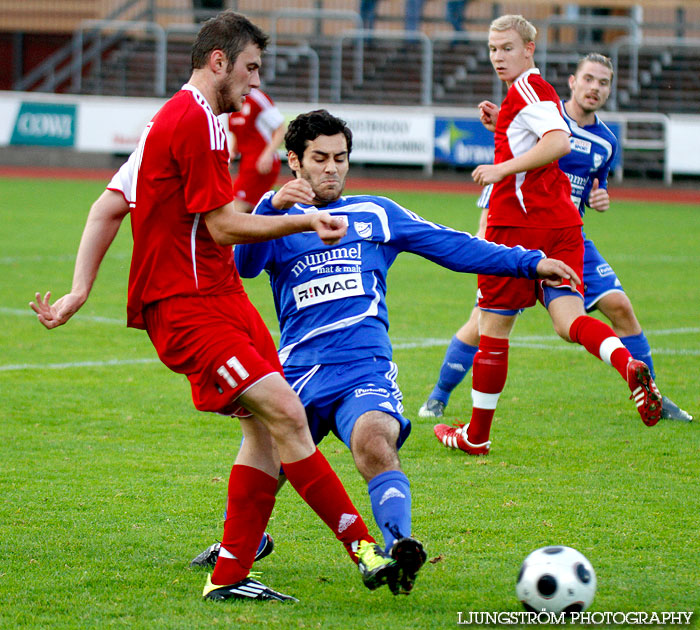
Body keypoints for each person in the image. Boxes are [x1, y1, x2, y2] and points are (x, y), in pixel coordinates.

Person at [29, 11, 400, 603]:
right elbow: (224, 227)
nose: (256, 84)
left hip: (222, 296)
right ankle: (363, 549)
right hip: (185, 304)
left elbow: (107, 207)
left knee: (264, 428)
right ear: (218, 61)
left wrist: (79, 291)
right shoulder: (195, 122)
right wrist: (302, 217)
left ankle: (229, 574)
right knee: (286, 413)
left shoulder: (173, 122)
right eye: (251, 69)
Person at [190, 108, 582, 588]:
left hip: (364, 369)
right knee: (265, 468)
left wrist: (531, 263)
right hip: (297, 373)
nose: (332, 167)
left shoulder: (376, 213)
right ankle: (240, 544)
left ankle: (399, 543)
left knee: (375, 441)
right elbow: (245, 265)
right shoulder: (276, 221)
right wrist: (271, 207)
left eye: (341, 157)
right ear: (294, 161)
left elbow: (454, 246)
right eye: (320, 158)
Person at [425, 15, 663, 457]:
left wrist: (501, 168)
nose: (498, 57)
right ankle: (626, 363)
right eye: (493, 49)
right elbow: (541, 135)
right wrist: (503, 125)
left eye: (507, 48)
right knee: (568, 322)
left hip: (517, 226)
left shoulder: (530, 87)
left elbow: (558, 142)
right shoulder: (527, 92)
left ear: (529, 48)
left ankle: (476, 435)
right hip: (562, 226)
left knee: (495, 328)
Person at [227, 87, 285, 213]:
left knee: (236, 206)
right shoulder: (232, 101)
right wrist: (230, 154)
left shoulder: (256, 98)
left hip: (261, 165)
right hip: (247, 163)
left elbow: (281, 128)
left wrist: (267, 155)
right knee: (255, 211)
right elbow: (237, 135)